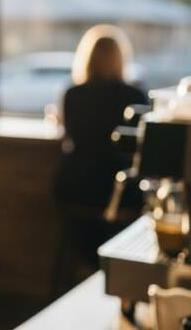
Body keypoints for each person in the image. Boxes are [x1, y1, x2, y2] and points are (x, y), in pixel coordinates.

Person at [54, 24, 148, 266]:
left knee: (81, 241)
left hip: (77, 187)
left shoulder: (73, 94)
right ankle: (112, 272)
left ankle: (88, 271)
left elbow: (69, 136)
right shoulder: (135, 97)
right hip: (120, 192)